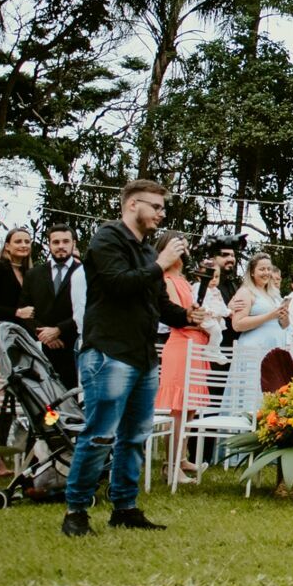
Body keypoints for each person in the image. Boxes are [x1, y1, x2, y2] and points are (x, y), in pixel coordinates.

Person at [62, 179, 199, 537]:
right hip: (109, 352)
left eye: (162, 207)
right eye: (155, 206)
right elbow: (118, 284)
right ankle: (76, 512)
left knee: (135, 436)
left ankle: (124, 507)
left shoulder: (146, 252)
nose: (161, 213)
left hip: (143, 355)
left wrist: (187, 316)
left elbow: (156, 302)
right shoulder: (107, 239)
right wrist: (161, 264)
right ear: (133, 204)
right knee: (100, 434)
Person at [152, 230, 209, 480]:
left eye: (185, 248)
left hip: (195, 345)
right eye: (179, 247)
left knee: (190, 409)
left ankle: (182, 458)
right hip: (181, 345)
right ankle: (170, 464)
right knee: (177, 408)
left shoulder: (184, 279)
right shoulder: (166, 280)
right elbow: (179, 316)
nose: (184, 252)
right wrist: (202, 321)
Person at [226, 252, 291, 418]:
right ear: (252, 272)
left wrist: (284, 316)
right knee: (253, 393)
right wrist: (270, 315)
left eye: (269, 269)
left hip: (273, 349)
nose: (266, 273)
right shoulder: (246, 292)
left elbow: (284, 325)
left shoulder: (274, 294)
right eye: (262, 269)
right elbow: (237, 324)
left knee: (271, 393)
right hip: (253, 352)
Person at [21, 224, 82, 389]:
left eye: (65, 241)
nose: (61, 246)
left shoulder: (84, 272)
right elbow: (25, 311)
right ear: (49, 245)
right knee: (46, 401)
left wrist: (59, 330)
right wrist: (44, 334)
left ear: (73, 244)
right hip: (42, 348)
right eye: (55, 242)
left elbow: (89, 308)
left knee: (72, 398)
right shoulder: (33, 275)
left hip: (74, 345)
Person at [0, 227, 35, 341]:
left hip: (25, 335)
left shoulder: (30, 273)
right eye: (18, 241)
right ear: (7, 246)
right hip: (1, 335)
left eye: (27, 242)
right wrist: (17, 312)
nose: (24, 245)